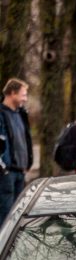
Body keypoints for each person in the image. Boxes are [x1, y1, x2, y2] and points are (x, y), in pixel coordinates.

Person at [0, 78, 34, 220]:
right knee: (6, 215)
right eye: (23, 95)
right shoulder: (1, 114)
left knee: (18, 215)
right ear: (12, 93)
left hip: (20, 171)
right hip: (6, 173)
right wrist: (4, 167)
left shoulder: (21, 114)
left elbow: (25, 139)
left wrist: (27, 163)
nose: (25, 99)